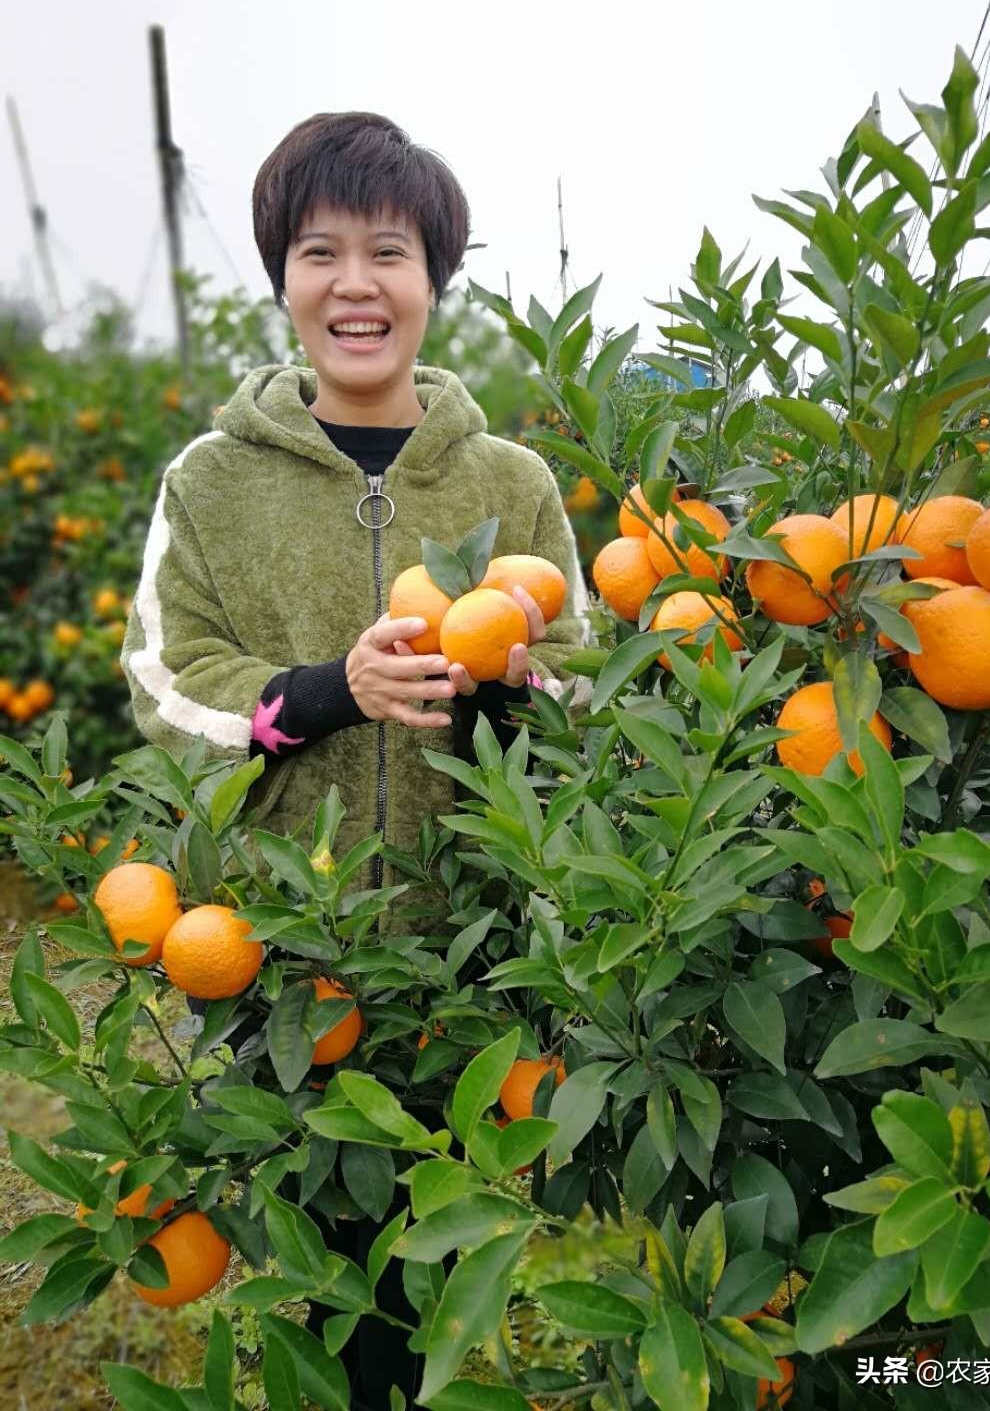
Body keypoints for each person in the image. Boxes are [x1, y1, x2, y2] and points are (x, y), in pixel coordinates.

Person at [119, 111, 593, 1409]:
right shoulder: (209, 482)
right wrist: (331, 691)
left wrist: (507, 678)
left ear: (434, 279)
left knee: (437, 1298)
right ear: (282, 276)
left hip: (466, 959)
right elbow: (163, 680)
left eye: (389, 252)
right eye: (320, 251)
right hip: (275, 967)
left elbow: (586, 688)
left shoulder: (511, 479)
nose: (355, 284)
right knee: (316, 1303)